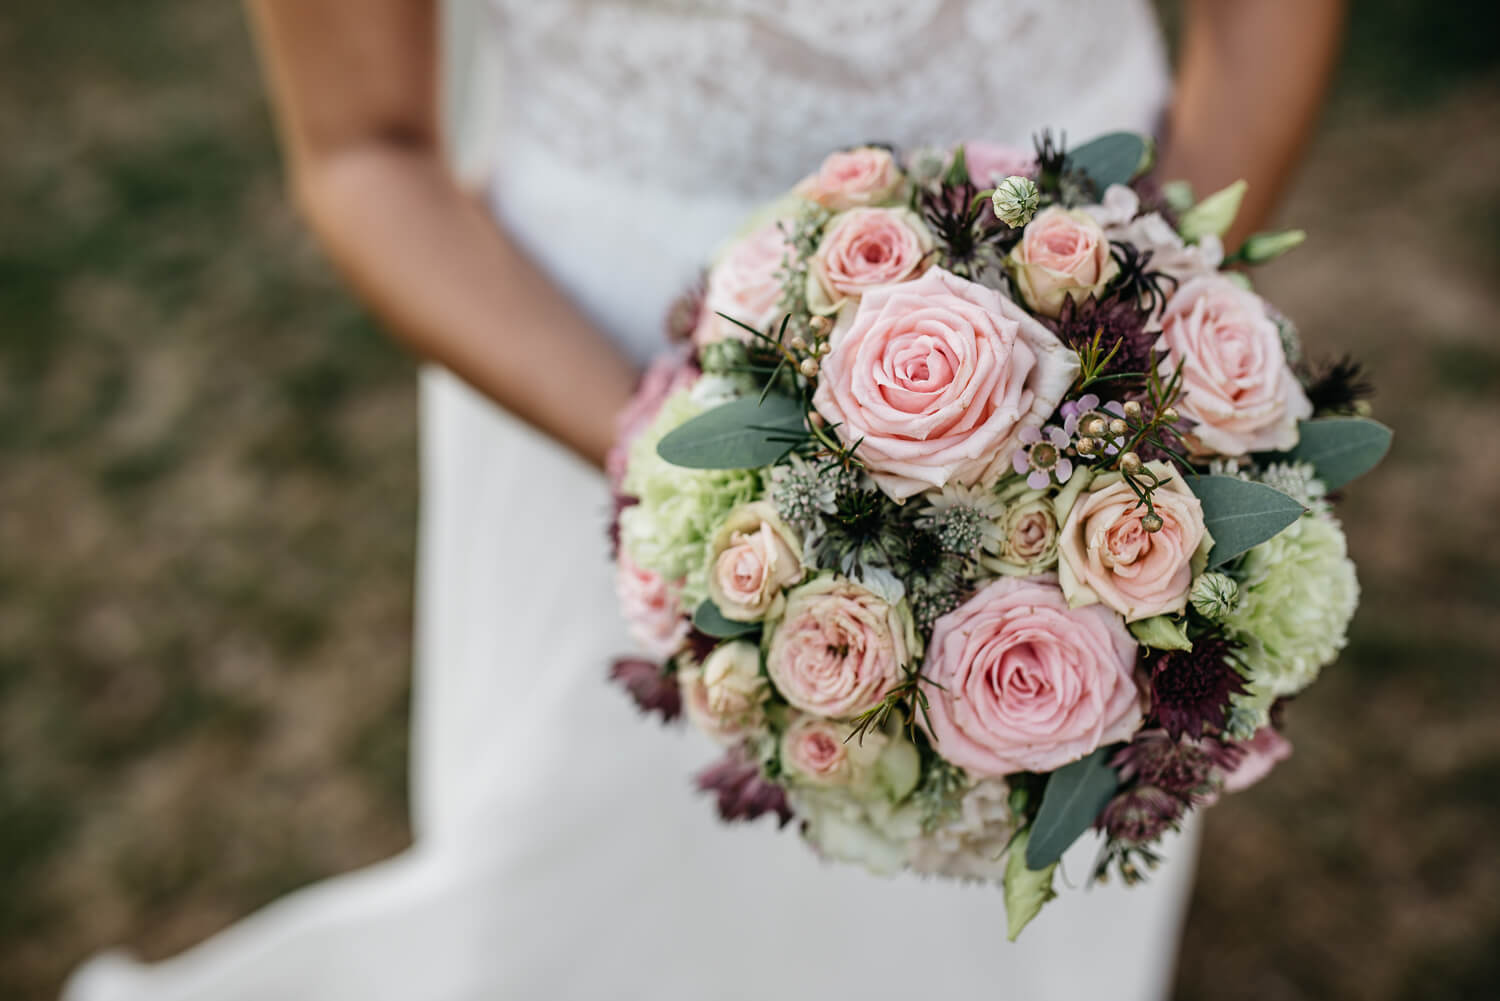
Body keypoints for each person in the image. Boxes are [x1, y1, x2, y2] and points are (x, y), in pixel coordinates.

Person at [63, 1, 1345, 998]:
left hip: (1092, 282)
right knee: (584, 860)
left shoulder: (1107, 361)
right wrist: (686, 466)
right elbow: (362, 147)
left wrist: (1124, 341)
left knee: (1024, 845)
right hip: (575, 352)